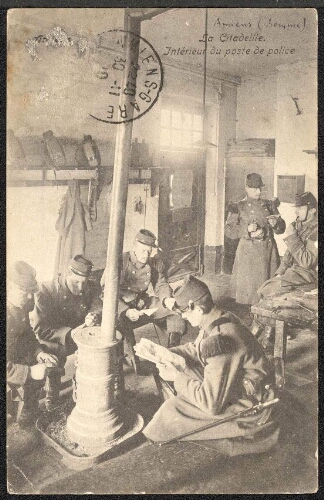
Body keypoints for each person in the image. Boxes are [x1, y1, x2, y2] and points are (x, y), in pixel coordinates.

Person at [143, 276, 279, 455]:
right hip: (243, 388)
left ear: (197, 309)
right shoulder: (219, 318)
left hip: (251, 407)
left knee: (172, 410)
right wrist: (166, 352)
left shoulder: (221, 338)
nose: (182, 317)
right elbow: (197, 348)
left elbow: (211, 404)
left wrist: (177, 377)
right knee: (187, 374)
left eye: (184, 312)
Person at [100, 229, 186, 373]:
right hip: (120, 305)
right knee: (119, 325)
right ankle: (132, 364)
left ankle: (171, 353)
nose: (145, 255)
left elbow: (160, 284)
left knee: (175, 311)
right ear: (134, 246)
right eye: (142, 250)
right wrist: (125, 311)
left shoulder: (155, 261)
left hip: (142, 303)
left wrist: (167, 299)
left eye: (149, 251)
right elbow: (105, 292)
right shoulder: (119, 261)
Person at [30, 255, 102, 409]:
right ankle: (52, 393)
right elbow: (41, 330)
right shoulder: (46, 291)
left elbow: (97, 304)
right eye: (76, 282)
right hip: (57, 338)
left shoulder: (91, 285)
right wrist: (71, 333)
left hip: (82, 332)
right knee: (51, 356)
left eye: (84, 283)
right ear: (67, 274)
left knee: (99, 347)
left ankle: (81, 385)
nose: (80, 288)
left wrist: (94, 315)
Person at [7, 261, 60, 427]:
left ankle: (28, 410)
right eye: (25, 291)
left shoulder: (20, 302)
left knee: (40, 366)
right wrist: (29, 372)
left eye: (31, 292)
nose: (30, 297)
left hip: (14, 356)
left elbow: (27, 334)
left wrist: (39, 353)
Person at [225, 173, 285, 306]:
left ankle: (265, 319)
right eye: (254, 188)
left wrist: (276, 224)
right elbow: (228, 229)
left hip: (268, 251)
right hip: (249, 253)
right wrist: (247, 229)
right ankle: (254, 318)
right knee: (251, 292)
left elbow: (281, 229)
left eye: (260, 188)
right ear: (246, 187)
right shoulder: (238, 206)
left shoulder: (269, 205)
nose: (258, 191)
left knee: (269, 289)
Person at [258, 191, 318, 298]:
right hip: (295, 272)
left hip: (309, 275)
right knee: (265, 288)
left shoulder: (317, 231)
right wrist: (280, 273)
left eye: (301, 208)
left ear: (313, 210)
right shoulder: (298, 225)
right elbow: (288, 254)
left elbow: (307, 262)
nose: (296, 212)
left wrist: (292, 237)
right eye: (296, 208)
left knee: (267, 291)